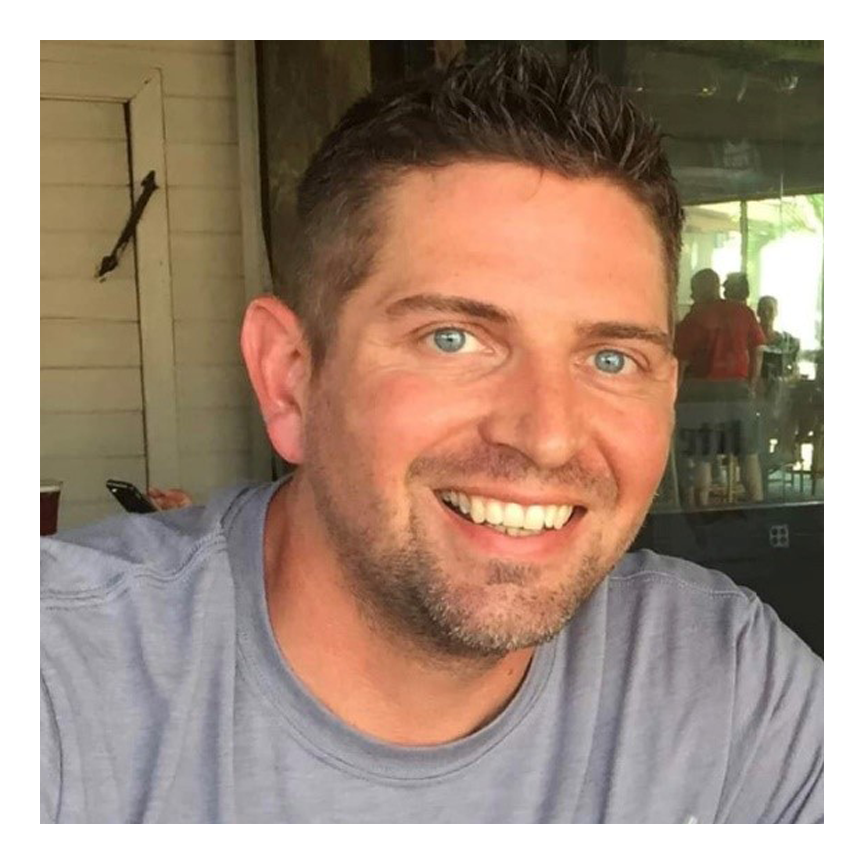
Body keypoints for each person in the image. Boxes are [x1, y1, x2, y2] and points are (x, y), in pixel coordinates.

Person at [41, 47, 822, 823]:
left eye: (612, 358)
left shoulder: (731, 689)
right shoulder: (56, 676)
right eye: (453, 339)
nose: (548, 437)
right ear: (289, 377)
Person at [674, 271, 766, 506]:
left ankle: (701, 509)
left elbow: (681, 361)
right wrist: (751, 384)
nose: (692, 295)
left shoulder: (696, 317)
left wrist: (674, 395)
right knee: (748, 454)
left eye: (694, 289)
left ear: (702, 288)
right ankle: (758, 508)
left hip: (702, 393)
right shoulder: (743, 313)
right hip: (738, 391)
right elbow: (758, 350)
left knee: (702, 455)